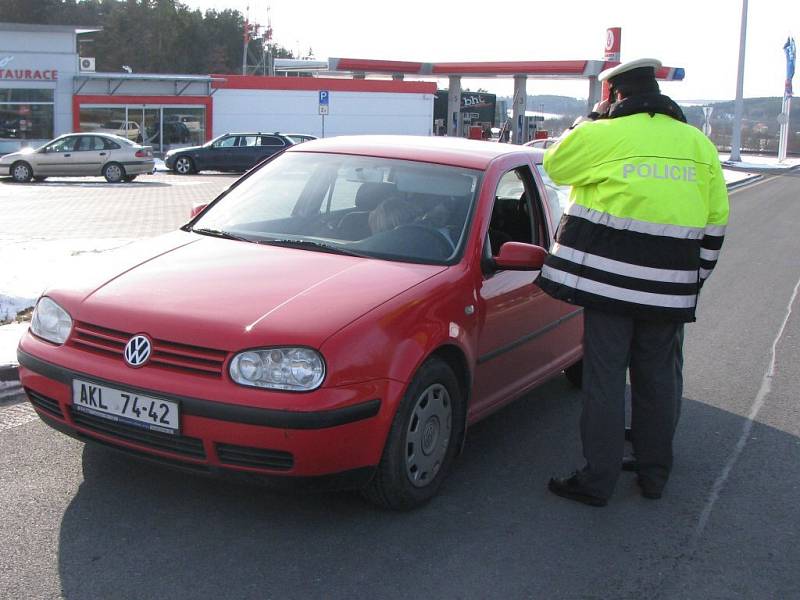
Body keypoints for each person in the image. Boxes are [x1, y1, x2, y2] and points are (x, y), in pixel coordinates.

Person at [538, 58, 729, 507]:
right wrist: (690, 278)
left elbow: (556, 165)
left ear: (613, 95)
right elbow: (717, 221)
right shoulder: (697, 144)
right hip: (669, 289)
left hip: (608, 290)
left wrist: (590, 122)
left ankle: (597, 481)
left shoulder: (604, 134)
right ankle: (654, 473)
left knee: (605, 380)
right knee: (660, 378)